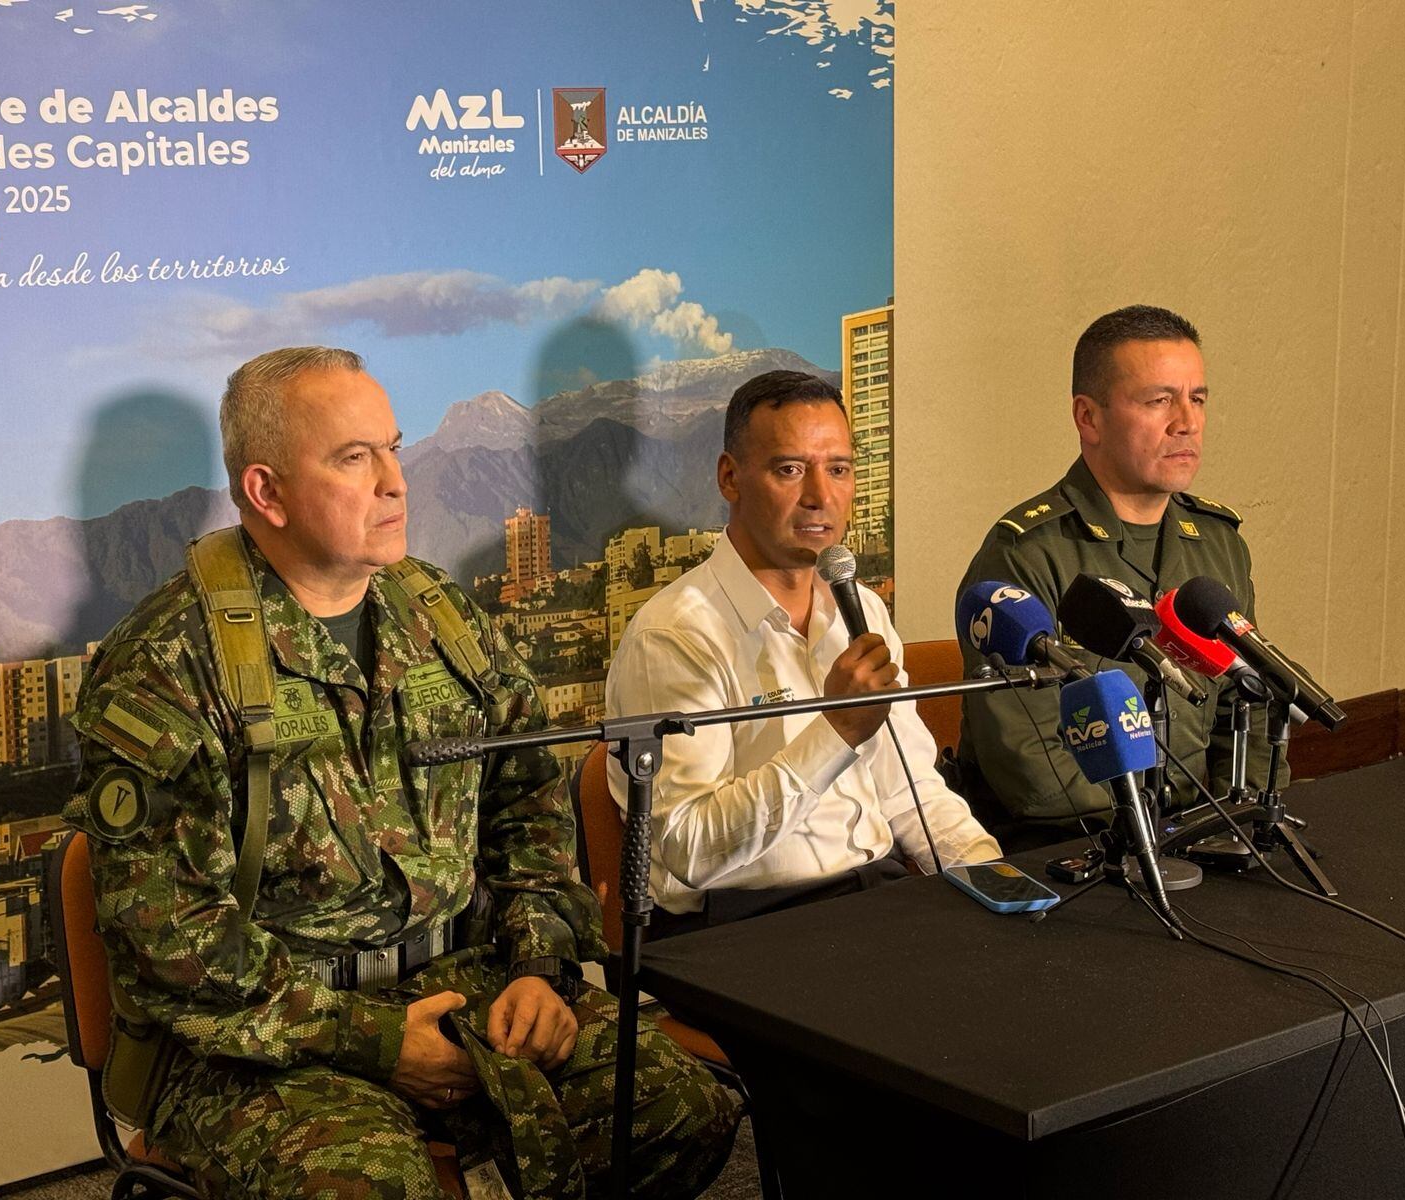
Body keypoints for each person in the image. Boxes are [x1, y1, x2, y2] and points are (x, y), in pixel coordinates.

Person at [63, 347, 739, 1199]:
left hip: (468, 981)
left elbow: (527, 805)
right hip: (260, 1039)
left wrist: (537, 964)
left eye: (393, 446)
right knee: (373, 1188)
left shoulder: (438, 614)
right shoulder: (166, 664)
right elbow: (173, 942)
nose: (395, 480)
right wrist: (374, 1041)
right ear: (265, 492)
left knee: (680, 1106)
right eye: (354, 458)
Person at [604, 370, 1000, 936]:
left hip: (874, 896)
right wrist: (836, 730)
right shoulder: (673, 637)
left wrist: (990, 872)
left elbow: (908, 786)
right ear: (730, 477)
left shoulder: (858, 607)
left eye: (838, 469)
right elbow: (687, 851)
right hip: (746, 925)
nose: (820, 497)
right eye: (790, 470)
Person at [956, 305, 1287, 848]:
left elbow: (1243, 701)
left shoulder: (1219, 542)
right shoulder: (1027, 553)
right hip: (1072, 848)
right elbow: (1031, 764)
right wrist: (1146, 834)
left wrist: (1243, 817)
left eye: (1197, 399)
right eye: (1159, 400)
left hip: (1200, 836)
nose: (1187, 421)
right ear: (1089, 418)